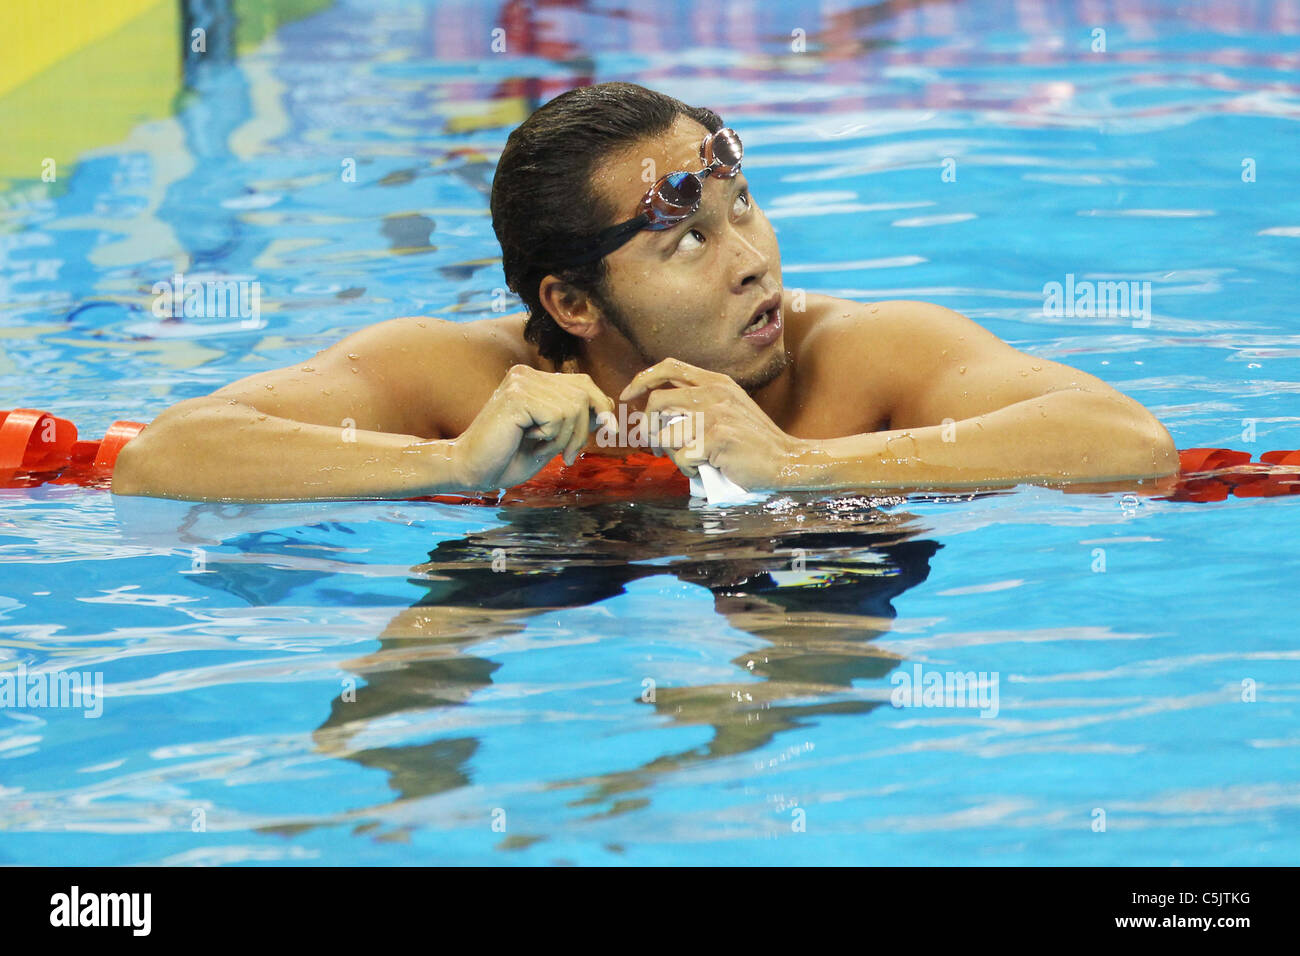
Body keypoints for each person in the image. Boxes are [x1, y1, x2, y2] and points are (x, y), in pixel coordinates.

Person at [112, 81, 1179, 503]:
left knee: (820, 577)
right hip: (543, 559)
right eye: (687, 242)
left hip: (802, 560)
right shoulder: (461, 376)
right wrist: (452, 463)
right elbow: (167, 456)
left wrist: (801, 463)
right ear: (572, 305)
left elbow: (1128, 441)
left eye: (746, 208)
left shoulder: (858, 356)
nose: (754, 258)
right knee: (446, 629)